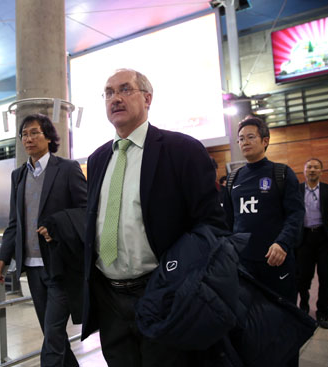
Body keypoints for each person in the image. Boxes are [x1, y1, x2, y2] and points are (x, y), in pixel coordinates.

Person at [80, 68, 227, 367]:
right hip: (109, 298)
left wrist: (179, 281)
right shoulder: (97, 160)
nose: (115, 98)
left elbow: (212, 226)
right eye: (109, 93)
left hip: (162, 292)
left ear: (147, 98)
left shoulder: (182, 150)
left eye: (125, 89)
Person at [0, 114, 87, 367]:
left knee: (54, 335)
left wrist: (58, 225)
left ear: (48, 136)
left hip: (61, 265)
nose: (28, 138)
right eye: (24, 134)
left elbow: (86, 210)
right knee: (52, 334)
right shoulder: (18, 176)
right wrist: (4, 256)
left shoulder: (67, 168)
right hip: (33, 268)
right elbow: (15, 221)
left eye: (34, 132)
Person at [224, 116, 304, 366]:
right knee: (251, 325)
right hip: (245, 269)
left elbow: (295, 214)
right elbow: (228, 223)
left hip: (276, 265)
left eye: (250, 137)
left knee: (284, 323)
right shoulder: (233, 179)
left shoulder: (281, 173)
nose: (244, 142)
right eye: (240, 139)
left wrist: (282, 243)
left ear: (265, 141)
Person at [297, 158, 328, 329]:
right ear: (304, 171)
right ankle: (303, 306)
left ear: (321, 171)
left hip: (324, 239)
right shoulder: (296, 190)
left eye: (316, 167)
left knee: (326, 278)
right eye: (309, 167)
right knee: (303, 276)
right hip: (303, 239)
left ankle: (323, 314)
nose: (312, 170)